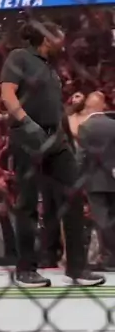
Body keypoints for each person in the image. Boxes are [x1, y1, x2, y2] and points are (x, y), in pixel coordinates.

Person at [0, 20, 104, 288]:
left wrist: (67, 123)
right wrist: (26, 123)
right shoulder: (19, 56)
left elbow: (52, 108)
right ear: (47, 38)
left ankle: (77, 267)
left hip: (56, 138)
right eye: (60, 37)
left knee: (73, 196)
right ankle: (26, 269)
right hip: (28, 137)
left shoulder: (50, 67)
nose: (64, 42)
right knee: (27, 202)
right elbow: (7, 95)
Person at [70, 92, 115, 270]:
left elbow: (82, 156)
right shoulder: (113, 125)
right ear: (103, 106)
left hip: (95, 181)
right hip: (113, 177)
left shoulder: (85, 127)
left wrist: (76, 179)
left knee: (102, 220)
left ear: (88, 107)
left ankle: (110, 257)